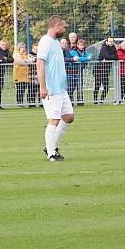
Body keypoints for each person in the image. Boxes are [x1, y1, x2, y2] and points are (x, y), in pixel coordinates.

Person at [37, 15, 74, 161]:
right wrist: (43, 87)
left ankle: (50, 145)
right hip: (51, 88)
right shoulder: (45, 42)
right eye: (63, 27)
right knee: (54, 119)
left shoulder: (56, 43)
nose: (65, 30)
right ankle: (52, 154)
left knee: (69, 117)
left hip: (61, 88)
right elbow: (40, 64)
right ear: (56, 26)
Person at [93, 36, 118, 104]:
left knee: (106, 87)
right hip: (98, 70)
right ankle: (95, 101)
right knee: (97, 86)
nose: (111, 43)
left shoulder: (113, 47)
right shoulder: (104, 47)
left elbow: (116, 57)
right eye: (110, 41)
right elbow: (107, 56)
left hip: (106, 70)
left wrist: (111, 57)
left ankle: (101, 100)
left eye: (112, 41)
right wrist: (112, 57)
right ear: (107, 41)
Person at [68, 38, 89, 105]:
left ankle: (80, 102)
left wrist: (85, 59)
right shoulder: (73, 51)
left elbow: (89, 56)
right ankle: (70, 102)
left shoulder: (85, 52)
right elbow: (77, 58)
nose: (82, 47)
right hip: (72, 72)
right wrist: (85, 59)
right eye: (80, 45)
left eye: (83, 45)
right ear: (77, 45)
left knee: (80, 87)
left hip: (80, 71)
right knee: (71, 88)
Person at [12, 41, 31, 107]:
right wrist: (26, 61)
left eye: (24, 47)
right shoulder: (16, 54)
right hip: (18, 75)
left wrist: (26, 61)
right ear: (19, 48)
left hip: (25, 75)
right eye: (21, 47)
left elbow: (31, 61)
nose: (23, 49)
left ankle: (22, 103)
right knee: (19, 90)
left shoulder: (26, 54)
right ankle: (19, 103)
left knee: (23, 90)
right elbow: (20, 62)